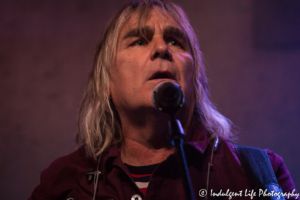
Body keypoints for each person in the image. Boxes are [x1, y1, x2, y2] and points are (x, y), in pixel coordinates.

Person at [29, 0, 297, 199]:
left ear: (194, 79)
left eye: (175, 41)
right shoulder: (62, 182)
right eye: (139, 41)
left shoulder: (260, 174)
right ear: (106, 82)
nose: (161, 49)